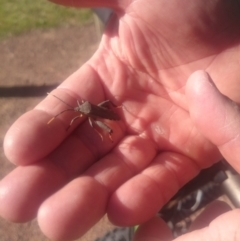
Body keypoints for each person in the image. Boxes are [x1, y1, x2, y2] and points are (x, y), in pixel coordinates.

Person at [1, 0, 240, 240]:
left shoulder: (86, 111)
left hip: (104, 112)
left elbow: (83, 115)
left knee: (100, 125)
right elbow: (77, 113)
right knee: (96, 124)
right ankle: (108, 131)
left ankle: (108, 132)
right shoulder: (84, 109)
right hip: (101, 110)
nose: (77, 111)